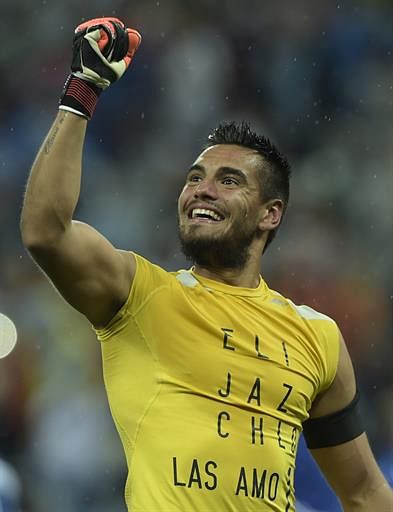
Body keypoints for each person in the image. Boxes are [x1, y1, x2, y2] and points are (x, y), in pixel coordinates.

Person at [20, 16, 393, 512]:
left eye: (229, 180)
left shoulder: (319, 339)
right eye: (195, 176)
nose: (202, 188)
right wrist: (82, 91)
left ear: (271, 214)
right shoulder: (139, 295)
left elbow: (365, 493)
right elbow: (46, 231)